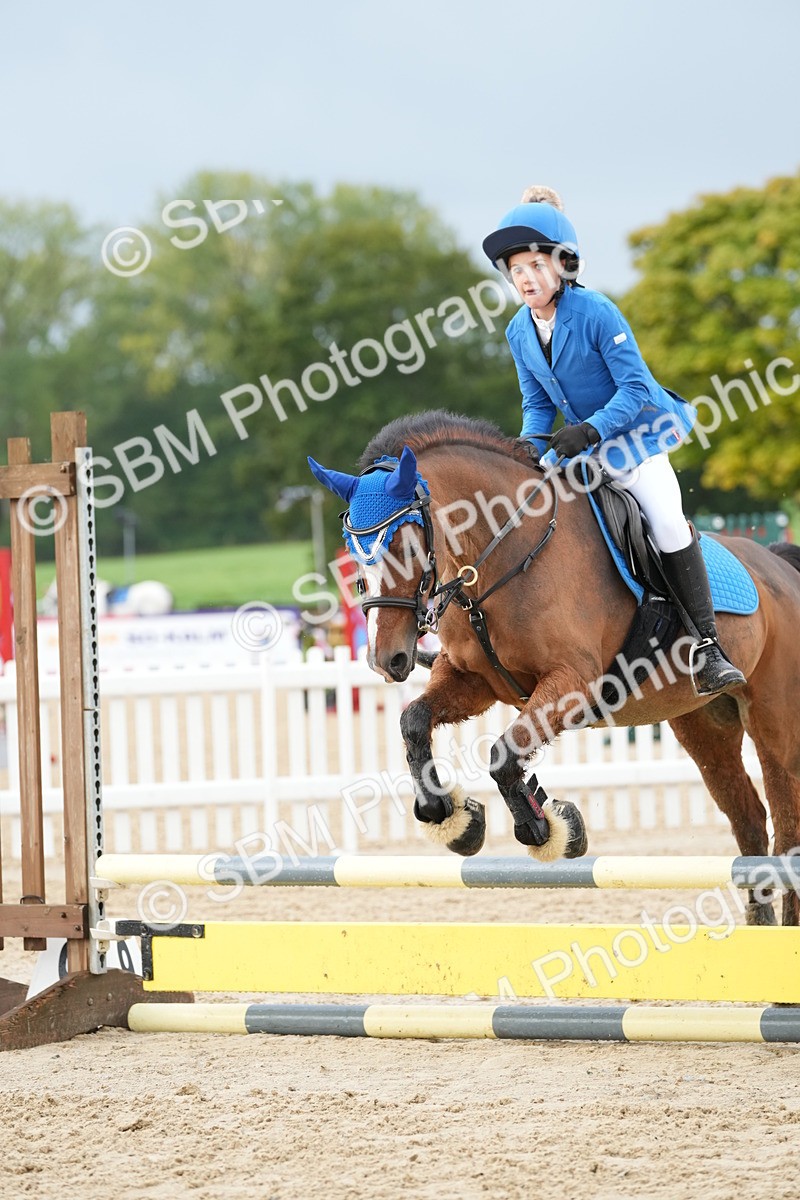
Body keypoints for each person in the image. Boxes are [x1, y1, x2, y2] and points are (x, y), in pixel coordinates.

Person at [482, 187, 746, 697]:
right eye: (516, 270)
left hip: (636, 437)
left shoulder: (598, 312)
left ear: (563, 266)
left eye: (536, 265)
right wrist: (529, 444)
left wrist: (593, 429)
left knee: (667, 521)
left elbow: (637, 388)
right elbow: (536, 404)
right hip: (581, 450)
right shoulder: (519, 330)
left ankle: (709, 647)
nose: (526, 279)